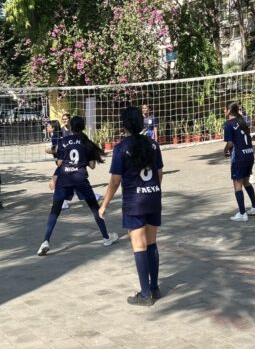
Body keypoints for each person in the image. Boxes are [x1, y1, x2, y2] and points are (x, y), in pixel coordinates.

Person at [99, 107, 164, 306]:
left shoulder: (121, 148)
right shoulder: (153, 144)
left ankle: (145, 295)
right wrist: (153, 190)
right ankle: (154, 288)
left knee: (139, 246)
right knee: (151, 243)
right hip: (153, 197)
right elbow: (159, 173)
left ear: (124, 125)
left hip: (134, 201)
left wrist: (104, 204)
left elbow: (115, 181)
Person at [38, 116, 119, 255]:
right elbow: (92, 165)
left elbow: (59, 163)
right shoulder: (86, 142)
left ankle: (45, 241)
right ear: (83, 126)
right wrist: (83, 160)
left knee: (55, 211)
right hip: (80, 178)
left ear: (71, 126)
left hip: (64, 178)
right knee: (95, 208)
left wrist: (61, 158)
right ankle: (106, 237)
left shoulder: (64, 141)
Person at [224, 102, 255, 221]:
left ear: (229, 111)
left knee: (237, 184)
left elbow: (230, 143)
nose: (223, 111)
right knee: (246, 181)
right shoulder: (242, 122)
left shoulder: (228, 124)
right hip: (249, 154)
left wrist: (225, 150)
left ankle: (242, 213)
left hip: (239, 157)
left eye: (224, 109)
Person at [45, 120, 73, 210]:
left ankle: (62, 203)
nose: (47, 127)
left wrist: (48, 150)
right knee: (70, 185)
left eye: (48, 126)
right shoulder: (58, 135)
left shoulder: (55, 137)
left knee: (52, 184)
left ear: (53, 128)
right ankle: (62, 202)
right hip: (65, 163)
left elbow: (56, 149)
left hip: (63, 164)